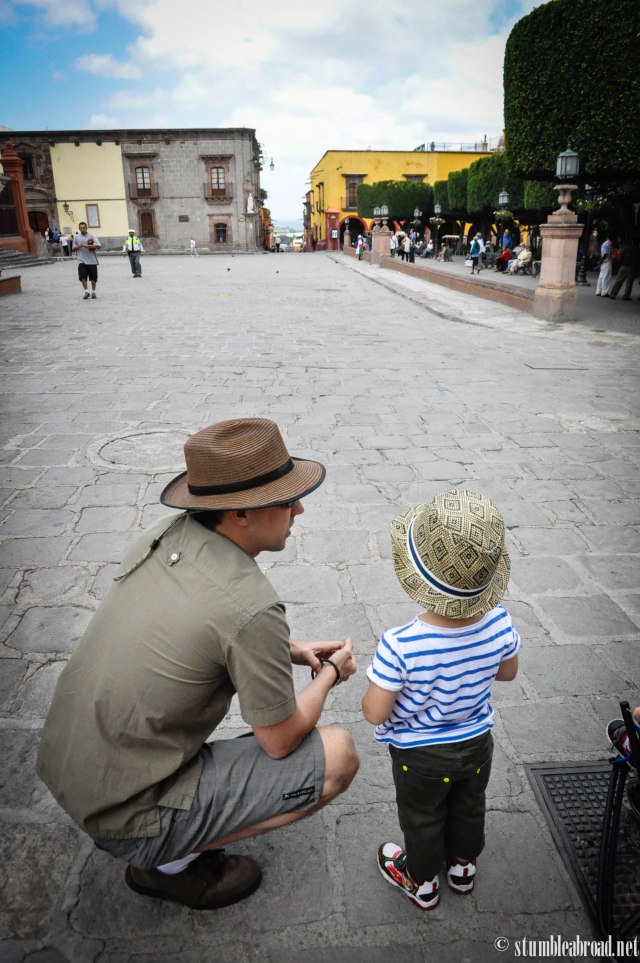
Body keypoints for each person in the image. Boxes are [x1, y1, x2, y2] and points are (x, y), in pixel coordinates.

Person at [36, 418, 359, 910]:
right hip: (123, 810)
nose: (299, 508)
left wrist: (286, 650)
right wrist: (331, 673)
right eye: (284, 498)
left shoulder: (165, 533)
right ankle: (166, 862)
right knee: (338, 755)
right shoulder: (251, 607)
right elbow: (280, 740)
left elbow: (201, 629)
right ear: (240, 514)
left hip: (70, 763)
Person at [362, 488, 519, 910]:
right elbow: (507, 672)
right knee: (469, 806)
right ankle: (463, 868)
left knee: (423, 816)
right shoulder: (500, 622)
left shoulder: (400, 645)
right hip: (476, 744)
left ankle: (422, 881)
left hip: (420, 756)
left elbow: (374, 711)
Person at [73, 221, 101, 299]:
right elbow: (73, 248)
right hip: (81, 260)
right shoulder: (76, 237)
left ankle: (93, 292)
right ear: (79, 228)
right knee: (82, 276)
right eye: (81, 228)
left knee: (93, 278)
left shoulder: (92, 236)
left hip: (92, 261)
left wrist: (86, 246)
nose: (83, 229)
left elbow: (99, 246)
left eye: (84, 228)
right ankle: (86, 291)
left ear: (86, 228)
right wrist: (78, 247)